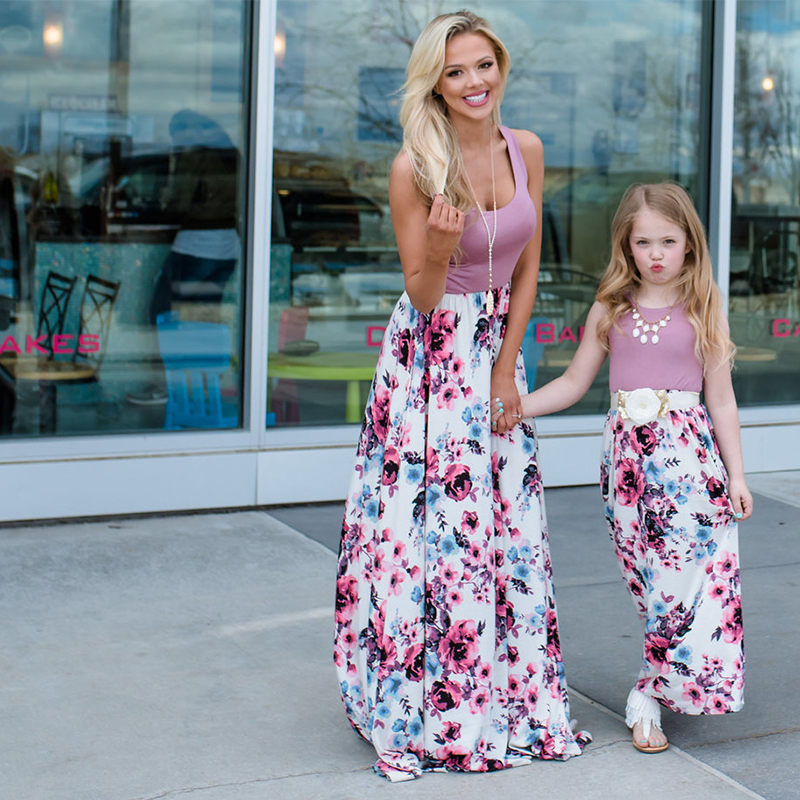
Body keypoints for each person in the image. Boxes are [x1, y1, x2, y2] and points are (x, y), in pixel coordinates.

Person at [333, 10, 589, 782]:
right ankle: (429, 704)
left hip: (493, 352)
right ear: (434, 85)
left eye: (484, 65)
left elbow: (528, 267)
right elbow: (421, 290)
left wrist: (508, 369)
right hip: (429, 357)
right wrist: (441, 248)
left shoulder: (528, 150)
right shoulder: (414, 165)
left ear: (500, 68)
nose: (475, 82)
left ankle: (505, 697)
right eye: (456, 71)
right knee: (431, 533)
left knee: (504, 524)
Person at [493, 182, 751, 753]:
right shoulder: (610, 308)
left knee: (691, 587)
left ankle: (647, 696)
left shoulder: (704, 304)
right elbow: (573, 383)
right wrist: (516, 408)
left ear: (689, 245)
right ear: (626, 247)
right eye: (643, 242)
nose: (655, 253)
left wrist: (736, 475)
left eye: (668, 240)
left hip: (691, 464)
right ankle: (657, 686)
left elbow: (723, 400)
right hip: (629, 468)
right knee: (652, 585)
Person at [127, 110, 239, 406]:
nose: (174, 139)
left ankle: (165, 387)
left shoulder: (193, 156)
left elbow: (179, 201)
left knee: (163, 315)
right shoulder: (233, 154)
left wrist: (161, 203)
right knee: (204, 321)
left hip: (195, 245)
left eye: (176, 132)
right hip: (227, 246)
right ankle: (204, 387)